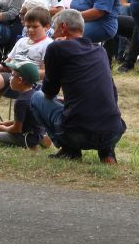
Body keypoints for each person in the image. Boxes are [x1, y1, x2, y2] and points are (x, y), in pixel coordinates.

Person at [26, 9, 126, 163]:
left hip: (77, 133)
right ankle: (107, 153)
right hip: (113, 131)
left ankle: (69, 150)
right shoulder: (100, 50)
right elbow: (113, 94)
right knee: (101, 110)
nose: (53, 33)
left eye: (55, 27)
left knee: (36, 97)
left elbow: (49, 92)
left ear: (63, 27)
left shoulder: (56, 48)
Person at [0, 60, 47, 148]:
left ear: (20, 80)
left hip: (26, 137)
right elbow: (24, 120)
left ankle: (32, 145)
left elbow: (17, 129)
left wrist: (4, 128)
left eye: (12, 75)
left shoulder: (21, 101)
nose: (10, 78)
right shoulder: (35, 94)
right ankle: (42, 140)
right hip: (38, 132)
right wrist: (5, 123)